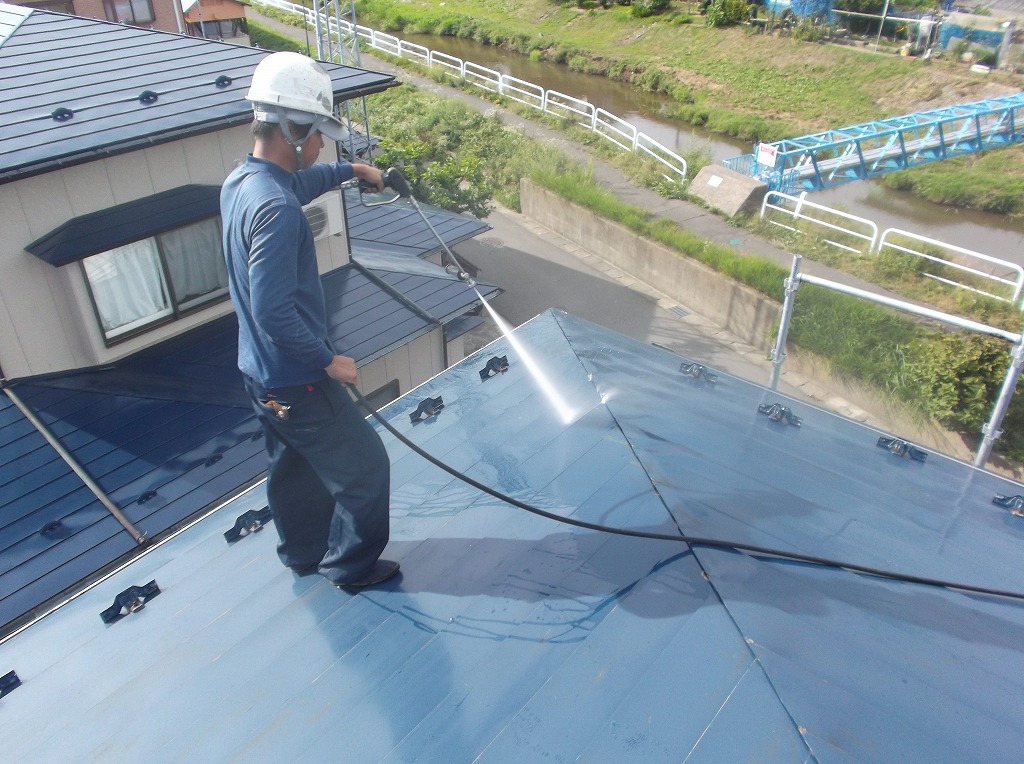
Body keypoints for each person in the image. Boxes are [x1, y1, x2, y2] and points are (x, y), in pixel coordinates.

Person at [220, 51, 399, 588]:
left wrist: (353, 171)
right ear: (292, 131)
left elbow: (300, 183)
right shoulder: (275, 210)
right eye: (318, 134)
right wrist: (329, 361)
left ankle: (302, 554)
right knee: (366, 471)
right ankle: (350, 566)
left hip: (260, 375)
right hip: (298, 377)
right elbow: (272, 309)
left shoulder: (243, 184)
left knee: (294, 466)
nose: (322, 144)